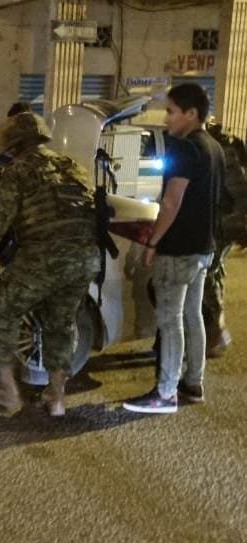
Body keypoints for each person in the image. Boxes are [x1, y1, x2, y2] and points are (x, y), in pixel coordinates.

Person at [0, 112, 100, 417]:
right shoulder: (73, 166)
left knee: (1, 308)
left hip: (45, 257)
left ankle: (7, 391)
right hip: (85, 257)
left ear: (15, 143)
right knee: (60, 323)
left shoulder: (19, 171)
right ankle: (56, 398)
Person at [123, 83, 223, 414]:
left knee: (170, 319)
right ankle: (193, 384)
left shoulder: (185, 148)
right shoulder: (214, 147)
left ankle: (165, 393)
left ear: (191, 114)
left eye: (171, 111)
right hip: (203, 248)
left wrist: (153, 242)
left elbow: (171, 200)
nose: (166, 118)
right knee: (192, 315)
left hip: (179, 249)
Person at [201, 119, 247, 357]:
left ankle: (217, 332)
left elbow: (236, 191)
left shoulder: (223, 150)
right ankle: (213, 330)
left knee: (208, 271)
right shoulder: (223, 146)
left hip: (223, 224)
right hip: (223, 222)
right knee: (214, 270)